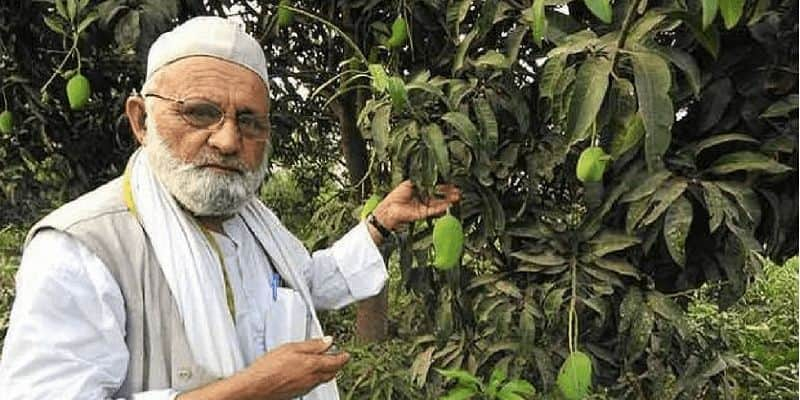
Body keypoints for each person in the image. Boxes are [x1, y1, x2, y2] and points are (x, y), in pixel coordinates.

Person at [0, 16, 460, 400]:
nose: (227, 140)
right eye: (200, 112)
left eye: (249, 121)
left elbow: (306, 283)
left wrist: (381, 223)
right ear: (141, 120)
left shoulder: (255, 222)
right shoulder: (81, 248)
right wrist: (252, 390)